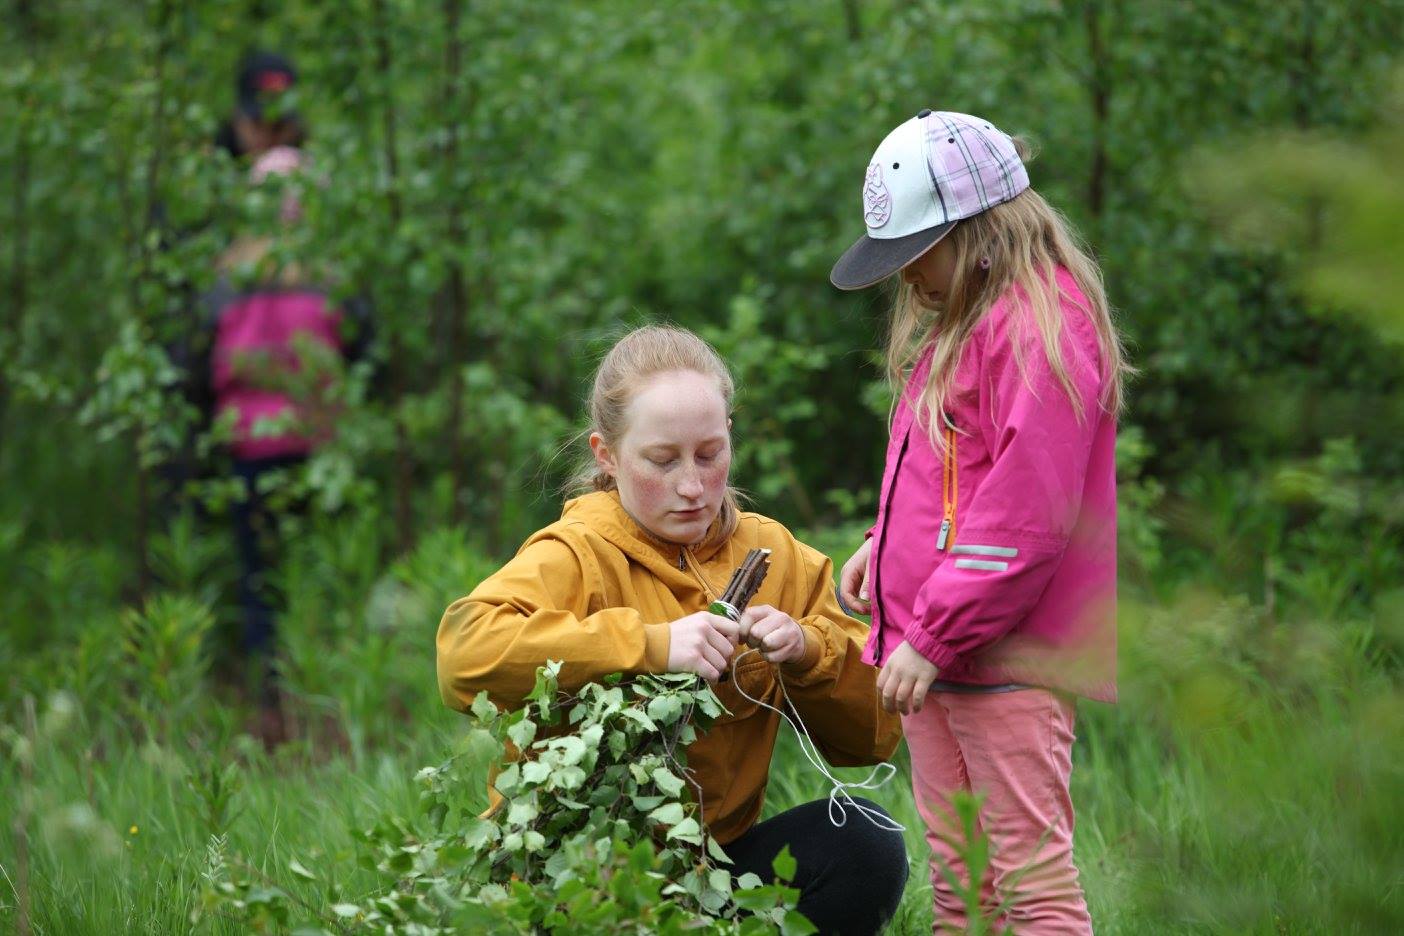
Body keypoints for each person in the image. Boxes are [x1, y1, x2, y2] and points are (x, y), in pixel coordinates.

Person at [437, 325, 907, 934]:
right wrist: (651, 645)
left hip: (709, 873)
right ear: (606, 454)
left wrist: (807, 651)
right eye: (663, 460)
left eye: (710, 454)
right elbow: (462, 657)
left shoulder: (774, 555)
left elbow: (874, 737)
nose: (692, 486)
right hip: (573, 881)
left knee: (867, 842)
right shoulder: (576, 553)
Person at [831, 111, 1129, 934]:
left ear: (978, 229)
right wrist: (881, 549)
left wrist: (930, 633)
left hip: (1003, 658)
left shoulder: (1041, 326)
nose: (907, 279)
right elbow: (958, 480)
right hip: (944, 656)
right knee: (964, 891)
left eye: (913, 255)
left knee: (1031, 890)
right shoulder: (970, 325)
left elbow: (1027, 515)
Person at [204, 51, 370, 741]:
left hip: (246, 441)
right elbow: (359, 337)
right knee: (313, 566)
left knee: (257, 571)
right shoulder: (329, 263)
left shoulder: (226, 262)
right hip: (316, 438)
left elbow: (198, 346)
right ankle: (316, 689)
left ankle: (271, 691)